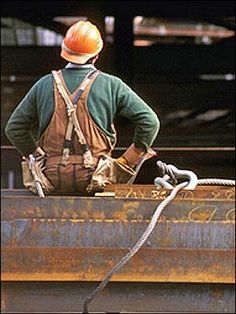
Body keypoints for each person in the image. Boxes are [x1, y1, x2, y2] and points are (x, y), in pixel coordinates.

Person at [5, 20, 160, 196]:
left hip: (50, 179)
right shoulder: (111, 85)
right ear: (97, 55)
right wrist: (128, 160)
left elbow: (14, 128)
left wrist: (38, 155)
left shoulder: (43, 85)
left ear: (65, 53)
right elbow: (150, 122)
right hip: (98, 178)